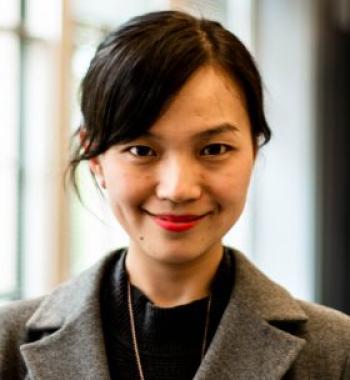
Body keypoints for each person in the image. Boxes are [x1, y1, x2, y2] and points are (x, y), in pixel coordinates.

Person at [1, 10, 350, 380]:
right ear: (96, 158)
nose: (178, 189)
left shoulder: (336, 352)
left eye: (213, 149)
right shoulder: (7, 346)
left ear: (254, 147)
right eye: (142, 150)